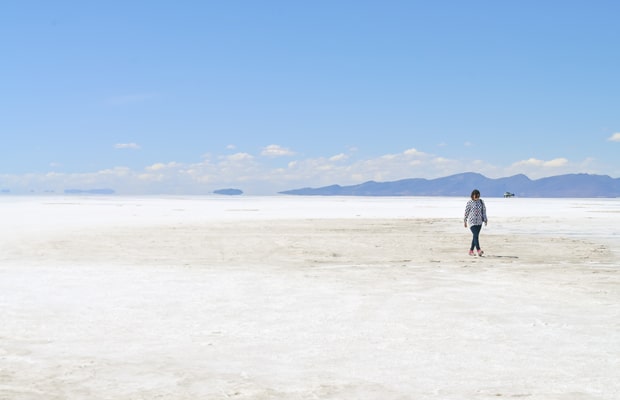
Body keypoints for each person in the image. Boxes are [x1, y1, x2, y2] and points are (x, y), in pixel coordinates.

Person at [464, 189, 488, 256]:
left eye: (478, 196)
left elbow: (484, 211)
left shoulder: (481, 202)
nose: (477, 197)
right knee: (476, 236)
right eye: (476, 196)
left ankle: (471, 251)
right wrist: (465, 220)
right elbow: (466, 212)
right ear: (472, 195)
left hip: (479, 222)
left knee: (475, 236)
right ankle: (478, 250)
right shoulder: (470, 202)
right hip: (472, 222)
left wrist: (485, 220)